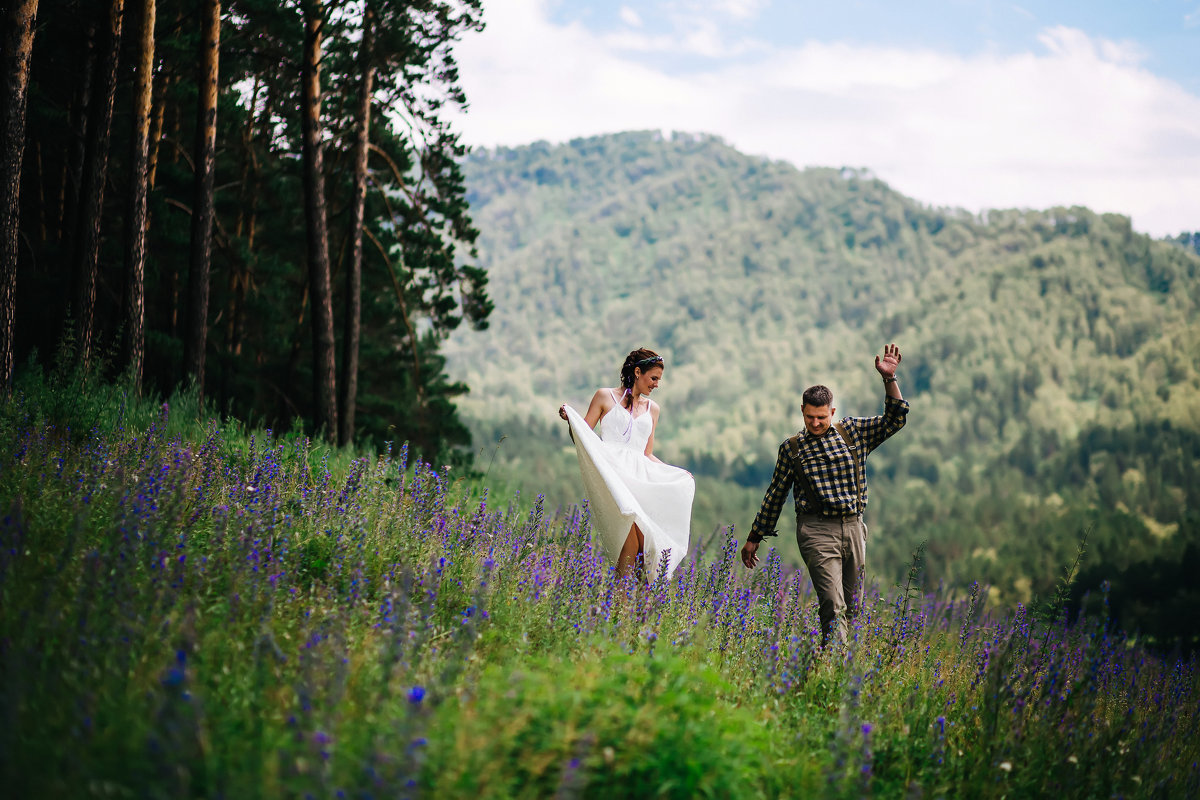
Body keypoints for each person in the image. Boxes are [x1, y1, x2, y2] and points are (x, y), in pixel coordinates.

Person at [741, 343, 909, 646]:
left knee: (854, 606)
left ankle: (840, 672)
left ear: (832, 411)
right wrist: (755, 536)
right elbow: (776, 494)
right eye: (809, 418)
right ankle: (836, 668)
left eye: (821, 417)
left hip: (855, 527)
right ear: (802, 412)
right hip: (816, 530)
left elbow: (895, 419)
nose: (815, 423)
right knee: (833, 604)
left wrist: (889, 379)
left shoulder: (853, 432)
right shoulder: (792, 449)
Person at [559, 348, 695, 581]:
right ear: (637, 372)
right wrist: (571, 421)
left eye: (659, 380)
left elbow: (647, 453)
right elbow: (583, 437)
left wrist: (676, 474)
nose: (656, 385)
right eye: (653, 378)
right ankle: (618, 608)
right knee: (629, 544)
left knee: (645, 549)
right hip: (613, 477)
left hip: (639, 481)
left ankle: (637, 611)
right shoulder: (604, 396)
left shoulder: (653, 409)